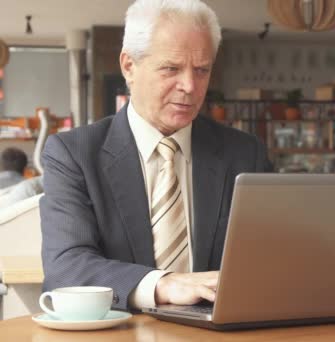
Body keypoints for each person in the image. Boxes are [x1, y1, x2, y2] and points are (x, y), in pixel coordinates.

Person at [40, 0, 272, 311]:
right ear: (129, 66)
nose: (190, 86)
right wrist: (163, 283)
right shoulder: (74, 154)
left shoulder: (245, 153)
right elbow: (66, 267)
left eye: (202, 70)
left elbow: (272, 257)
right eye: (171, 68)